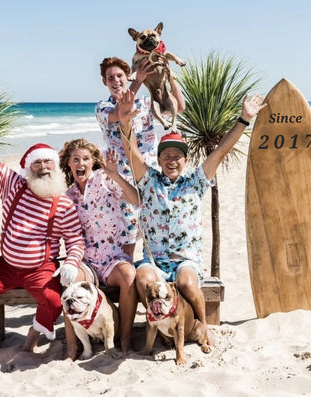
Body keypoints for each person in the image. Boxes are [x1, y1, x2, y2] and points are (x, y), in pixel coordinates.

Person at [115, 89, 266, 345]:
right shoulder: (149, 179)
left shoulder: (195, 181)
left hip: (186, 258)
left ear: (185, 159)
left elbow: (220, 152)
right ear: (159, 159)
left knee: (186, 283)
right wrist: (125, 121)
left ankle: (203, 329)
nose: (172, 160)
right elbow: (132, 153)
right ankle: (161, 324)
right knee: (143, 279)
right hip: (156, 259)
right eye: (166, 156)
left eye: (177, 156)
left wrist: (244, 119)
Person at [0, 101, 85, 368]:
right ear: (28, 167)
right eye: (37, 163)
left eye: (48, 161)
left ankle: (32, 337)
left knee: (53, 299)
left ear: (55, 165)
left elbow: (75, 239)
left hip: (40, 268)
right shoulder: (12, 184)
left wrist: (71, 262)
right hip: (6, 266)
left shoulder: (64, 202)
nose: (43, 166)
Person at [95, 56, 186, 261]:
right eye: (110, 78)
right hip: (122, 177)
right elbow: (122, 112)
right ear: (104, 82)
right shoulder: (102, 107)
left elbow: (179, 107)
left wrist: (170, 76)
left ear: (127, 76)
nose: (116, 80)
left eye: (120, 76)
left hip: (148, 173)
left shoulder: (146, 102)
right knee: (128, 234)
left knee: (155, 226)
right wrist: (138, 81)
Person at [59, 138, 140, 356]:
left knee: (129, 275)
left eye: (86, 158)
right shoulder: (68, 196)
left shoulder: (106, 180)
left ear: (93, 162)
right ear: (68, 164)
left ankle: (124, 338)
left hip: (113, 259)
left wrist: (115, 175)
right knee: (70, 280)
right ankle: (72, 347)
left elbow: (136, 200)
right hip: (87, 262)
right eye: (75, 159)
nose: (80, 163)